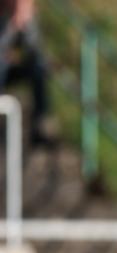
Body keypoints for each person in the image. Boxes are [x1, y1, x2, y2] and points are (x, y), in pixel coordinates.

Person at [0, 0, 53, 146]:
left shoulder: (28, 21)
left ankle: (41, 122)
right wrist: (10, 28)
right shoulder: (4, 19)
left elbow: (34, 51)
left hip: (11, 69)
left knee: (39, 68)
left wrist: (23, 26)